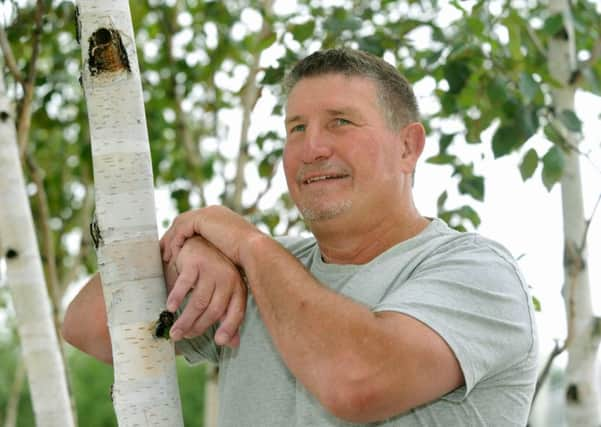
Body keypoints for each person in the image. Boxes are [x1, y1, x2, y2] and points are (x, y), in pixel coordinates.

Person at [62, 48, 538, 426]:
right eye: (296, 128)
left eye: (341, 122)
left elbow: (356, 381)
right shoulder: (250, 273)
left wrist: (246, 242)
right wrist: (188, 249)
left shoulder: (479, 273)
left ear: (408, 146)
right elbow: (91, 327)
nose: (312, 148)